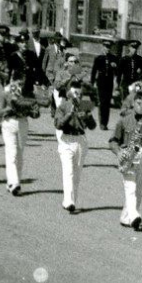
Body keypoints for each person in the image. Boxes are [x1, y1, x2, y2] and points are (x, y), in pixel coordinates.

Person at [110, 88, 142, 230]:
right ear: (134, 103)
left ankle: (126, 217)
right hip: (128, 155)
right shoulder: (124, 120)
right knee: (130, 187)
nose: (141, 106)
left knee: (138, 188)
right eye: (138, 103)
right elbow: (113, 140)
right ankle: (134, 216)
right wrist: (119, 152)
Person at [53, 84, 96, 215]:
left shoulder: (84, 107)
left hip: (80, 140)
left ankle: (72, 200)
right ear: (69, 95)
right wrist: (69, 115)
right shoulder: (62, 107)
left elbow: (93, 126)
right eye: (75, 93)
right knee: (69, 172)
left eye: (79, 93)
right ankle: (68, 202)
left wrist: (88, 117)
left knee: (76, 174)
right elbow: (58, 124)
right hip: (66, 140)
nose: (78, 96)